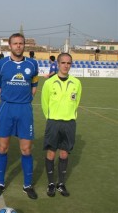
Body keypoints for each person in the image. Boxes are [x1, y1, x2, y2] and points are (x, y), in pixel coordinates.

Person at [0, 33, 39, 199]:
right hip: (7, 108)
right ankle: (1, 183)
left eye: (21, 43)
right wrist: (9, 99)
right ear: (9, 45)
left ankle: (27, 185)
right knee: (3, 147)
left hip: (25, 109)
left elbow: (34, 84)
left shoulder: (33, 64)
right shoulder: (1, 64)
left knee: (26, 149)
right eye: (15, 43)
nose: (18, 46)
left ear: (24, 45)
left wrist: (26, 99)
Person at [41, 53, 82, 197]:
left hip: (69, 123)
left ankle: (61, 184)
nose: (65, 65)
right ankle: (51, 183)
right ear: (57, 64)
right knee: (51, 152)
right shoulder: (49, 83)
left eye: (68, 63)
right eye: (63, 62)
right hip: (53, 122)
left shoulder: (76, 83)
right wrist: (51, 118)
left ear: (71, 64)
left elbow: (76, 102)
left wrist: (69, 116)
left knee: (64, 153)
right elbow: (44, 103)